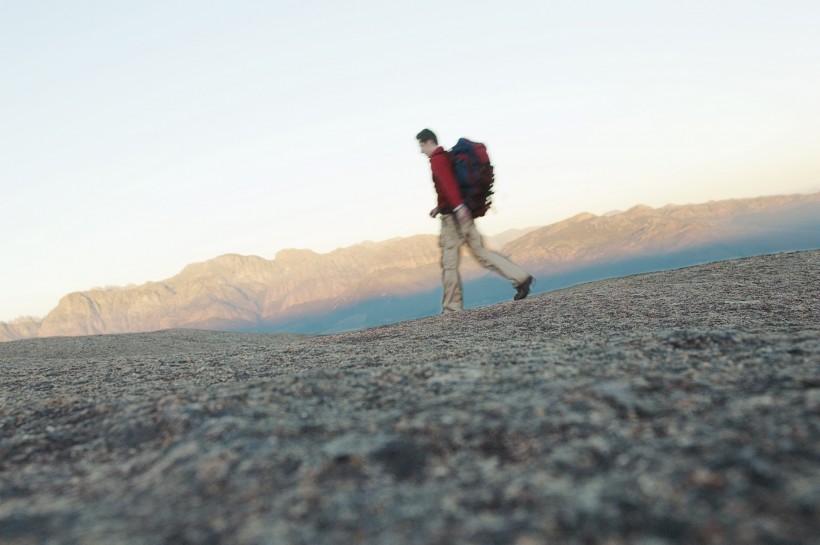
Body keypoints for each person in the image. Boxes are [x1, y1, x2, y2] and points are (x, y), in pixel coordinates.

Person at [417, 128, 533, 313]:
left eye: (421, 146)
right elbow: (451, 187)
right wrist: (441, 207)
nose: (421, 151)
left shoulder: (437, 160)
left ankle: (451, 308)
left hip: (453, 219)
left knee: (449, 263)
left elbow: (448, 184)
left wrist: (456, 207)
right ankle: (520, 277)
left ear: (428, 142)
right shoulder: (447, 157)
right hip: (460, 213)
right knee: (481, 253)